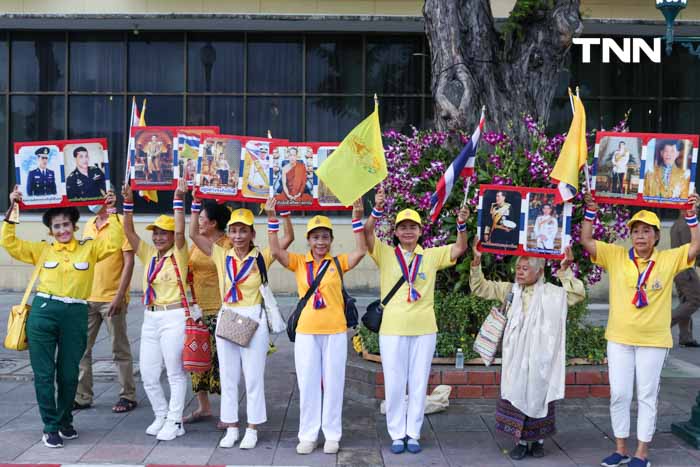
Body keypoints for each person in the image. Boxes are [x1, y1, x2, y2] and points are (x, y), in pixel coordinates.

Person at [581, 192, 700, 467]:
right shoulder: (616, 255)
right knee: (620, 394)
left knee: (646, 396)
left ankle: (642, 453)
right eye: (635, 231)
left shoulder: (669, 259)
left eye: (646, 231)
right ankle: (620, 449)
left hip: (653, 341)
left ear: (657, 236)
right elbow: (587, 241)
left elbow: (695, 247)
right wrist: (590, 212)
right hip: (619, 339)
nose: (640, 236)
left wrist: (691, 216)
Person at [1, 186, 120, 448]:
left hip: (76, 314)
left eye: (66, 224)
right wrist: (15, 206)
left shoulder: (89, 248)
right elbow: (9, 242)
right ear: (50, 230)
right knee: (44, 374)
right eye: (57, 226)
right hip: (43, 314)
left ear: (75, 226)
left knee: (68, 374)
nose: (62, 230)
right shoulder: (43, 249)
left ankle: (65, 420)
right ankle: (50, 426)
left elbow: (114, 242)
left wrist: (111, 209)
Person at [364, 187, 469, 455]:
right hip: (392, 329)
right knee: (395, 383)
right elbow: (366, 235)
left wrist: (461, 224)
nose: (408, 231)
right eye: (403, 227)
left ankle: (414, 432)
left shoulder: (431, 256)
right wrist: (376, 210)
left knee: (419, 382)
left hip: (424, 328)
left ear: (421, 231)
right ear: (396, 232)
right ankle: (397, 433)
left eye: (413, 227)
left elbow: (460, 247)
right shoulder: (386, 253)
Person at [190, 200, 294, 449]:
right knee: (228, 376)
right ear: (229, 233)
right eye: (234, 230)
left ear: (251, 233)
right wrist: (193, 205)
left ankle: (253, 427)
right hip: (228, 316)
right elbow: (193, 234)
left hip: (253, 319)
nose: (238, 236)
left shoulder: (262, 256)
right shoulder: (220, 253)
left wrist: (276, 214)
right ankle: (231, 426)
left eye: (243, 230)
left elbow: (288, 237)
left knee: (253, 376)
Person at [267, 199, 366, 455]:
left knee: (334, 383)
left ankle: (332, 434)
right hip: (306, 332)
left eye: (325, 237)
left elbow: (361, 252)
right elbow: (276, 251)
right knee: (308, 384)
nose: (320, 242)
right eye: (315, 237)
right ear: (308, 240)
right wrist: (271, 217)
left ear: (331, 240)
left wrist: (357, 219)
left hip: (335, 330)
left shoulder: (338, 263)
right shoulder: (300, 262)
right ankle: (308, 434)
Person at [470, 244, 584, 460]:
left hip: (542, 359)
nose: (518, 272)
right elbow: (481, 288)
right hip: (515, 359)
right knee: (516, 393)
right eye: (518, 268)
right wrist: (476, 264)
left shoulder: (553, 293)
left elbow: (577, 294)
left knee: (539, 395)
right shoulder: (509, 290)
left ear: (539, 271)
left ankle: (538, 442)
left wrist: (565, 270)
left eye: (524, 268)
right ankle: (521, 442)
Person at [121, 179, 189, 441]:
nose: (159, 237)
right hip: (150, 316)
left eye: (164, 233)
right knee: (149, 372)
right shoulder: (149, 253)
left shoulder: (179, 252)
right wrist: (128, 202)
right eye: (156, 233)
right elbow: (129, 233)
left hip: (174, 316)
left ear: (172, 236)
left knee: (174, 372)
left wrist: (178, 198)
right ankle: (161, 414)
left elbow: (182, 232)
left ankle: (175, 420)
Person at [73, 202, 137, 414]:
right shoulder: (89, 223)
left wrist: (120, 295)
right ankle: (83, 396)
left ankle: (127, 395)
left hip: (112, 298)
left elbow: (129, 261)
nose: (91, 202)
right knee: (81, 348)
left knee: (119, 348)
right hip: (88, 296)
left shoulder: (119, 222)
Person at [671, 209, 700, 347]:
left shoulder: (676, 224)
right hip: (685, 269)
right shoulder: (685, 225)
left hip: (679, 268)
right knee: (694, 300)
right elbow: (693, 247)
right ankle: (664, 325)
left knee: (686, 301)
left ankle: (686, 336)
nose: (697, 209)